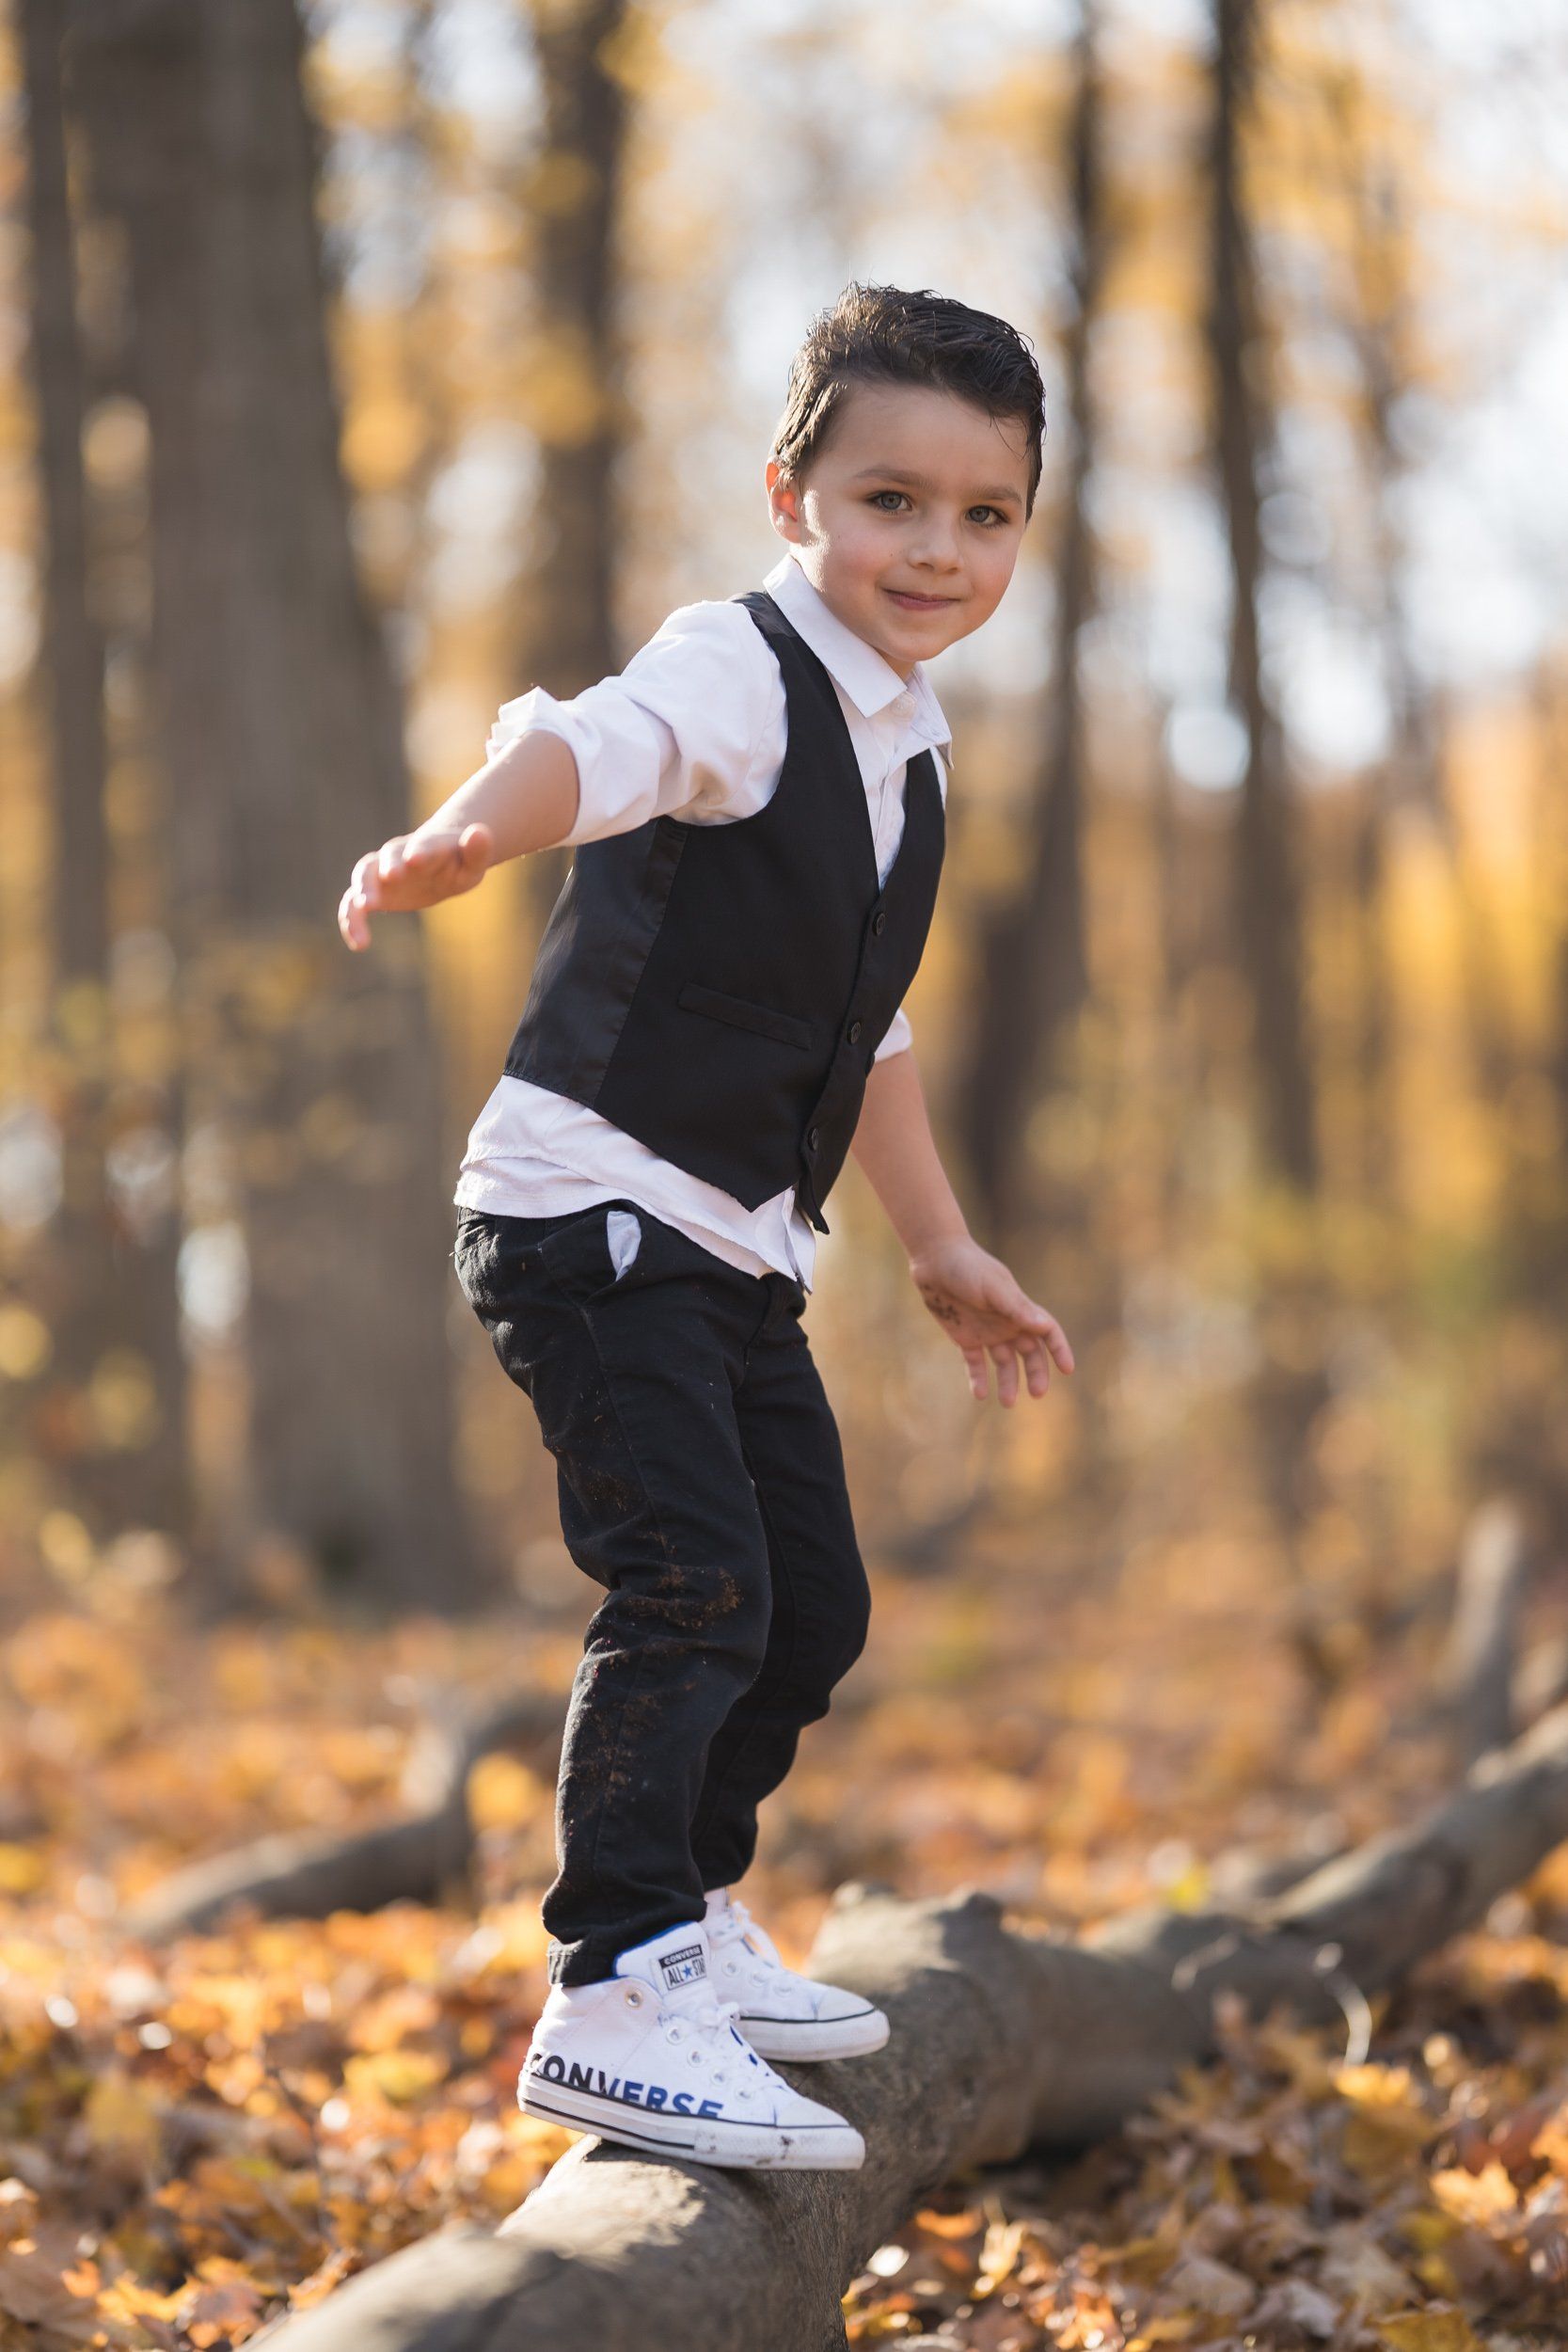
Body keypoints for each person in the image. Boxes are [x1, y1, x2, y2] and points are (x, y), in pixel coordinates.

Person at [338, 282, 1074, 2172]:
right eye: (889, 498)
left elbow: (869, 1029)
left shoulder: (903, 744)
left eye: (984, 513)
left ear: (1023, 530)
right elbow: (598, 742)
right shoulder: (743, 664)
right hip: (589, 1202)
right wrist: (472, 835)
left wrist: (940, 1244)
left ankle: (687, 1926)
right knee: (694, 1581)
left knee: (808, 1600)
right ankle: (609, 1984)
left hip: (732, 1241)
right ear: (793, 496)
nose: (935, 546)